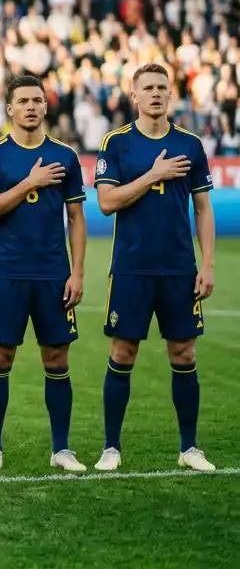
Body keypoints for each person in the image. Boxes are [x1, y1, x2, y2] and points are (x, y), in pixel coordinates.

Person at [94, 63, 216, 472]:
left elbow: (203, 209)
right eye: (148, 88)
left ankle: (189, 448)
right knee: (122, 351)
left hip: (179, 268)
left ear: (170, 94)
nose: (156, 93)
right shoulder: (116, 143)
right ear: (134, 96)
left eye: (162, 87)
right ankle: (111, 447)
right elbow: (107, 202)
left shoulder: (190, 144)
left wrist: (207, 264)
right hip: (131, 267)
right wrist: (154, 174)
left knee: (183, 353)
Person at [0, 75, 88, 472]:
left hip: (54, 274)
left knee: (56, 358)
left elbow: (76, 217)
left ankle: (62, 449)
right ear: (9, 109)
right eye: (22, 101)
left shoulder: (65, 155)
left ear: (45, 106)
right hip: (7, 272)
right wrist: (30, 182)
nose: (31, 107)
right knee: (0, 356)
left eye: (37, 100)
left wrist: (77, 273)